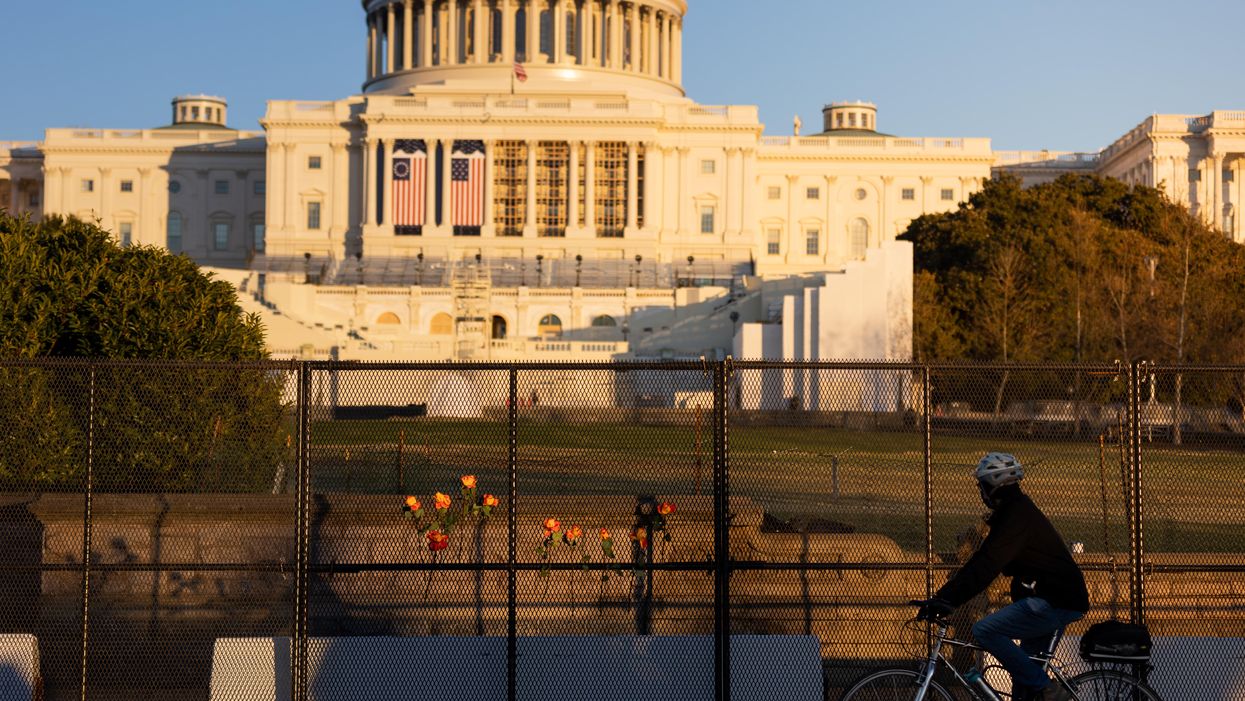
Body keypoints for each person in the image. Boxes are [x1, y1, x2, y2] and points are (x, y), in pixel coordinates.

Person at [917, 452, 1089, 701]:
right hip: (1053, 599)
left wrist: (947, 600)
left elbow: (987, 564)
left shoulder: (1017, 517)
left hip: (1054, 601)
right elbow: (982, 560)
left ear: (993, 487)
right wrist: (944, 597)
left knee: (985, 630)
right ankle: (1039, 688)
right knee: (1024, 684)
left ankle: (1047, 688)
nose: (980, 493)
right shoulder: (1015, 512)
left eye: (982, 486)